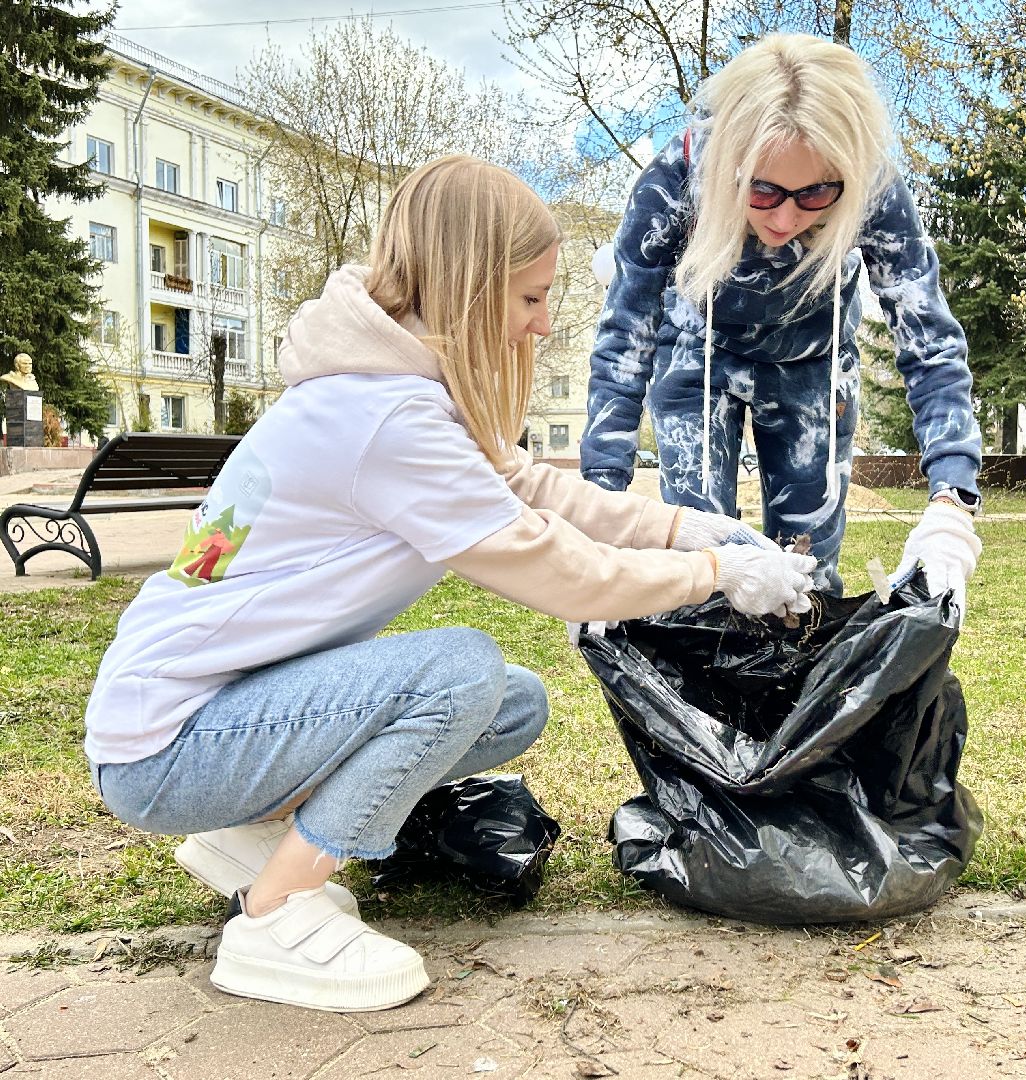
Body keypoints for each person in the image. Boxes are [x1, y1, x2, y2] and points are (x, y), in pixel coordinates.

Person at [82, 156, 817, 1014]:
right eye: (530, 298)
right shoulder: (385, 417)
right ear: (470, 287)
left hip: (214, 712)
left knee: (511, 702)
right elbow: (562, 575)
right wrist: (715, 574)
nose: (541, 325)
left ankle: (251, 832)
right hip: (167, 747)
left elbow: (530, 485)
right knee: (458, 672)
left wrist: (681, 527)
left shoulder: (394, 385)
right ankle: (274, 916)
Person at [580, 34, 982, 606]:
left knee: (806, 571)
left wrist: (952, 505)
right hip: (699, 356)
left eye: (816, 193)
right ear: (730, 166)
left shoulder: (872, 185)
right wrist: (604, 521)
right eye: (763, 190)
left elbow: (929, 342)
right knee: (704, 568)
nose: (787, 217)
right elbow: (624, 342)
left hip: (812, 367)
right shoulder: (677, 176)